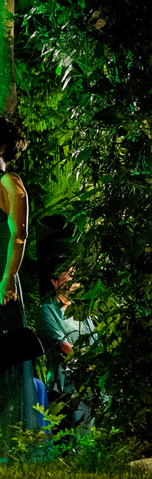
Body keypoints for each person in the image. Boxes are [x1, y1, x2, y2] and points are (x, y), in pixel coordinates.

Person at [0, 118, 37, 455]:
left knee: (6, 358)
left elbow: (19, 233)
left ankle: (11, 443)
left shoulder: (9, 182)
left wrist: (9, 276)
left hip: (2, 281)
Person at [36, 266, 99, 428]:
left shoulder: (82, 312)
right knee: (69, 434)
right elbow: (62, 346)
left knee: (87, 433)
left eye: (76, 276)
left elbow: (96, 343)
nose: (74, 281)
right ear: (54, 281)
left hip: (89, 384)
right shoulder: (47, 310)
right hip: (64, 386)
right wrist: (87, 366)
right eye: (69, 275)